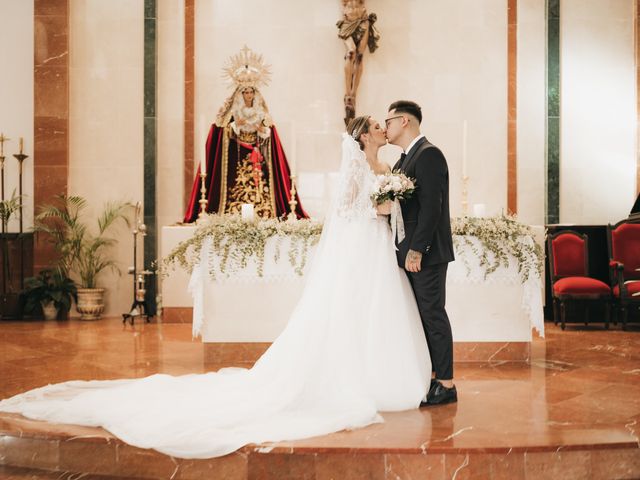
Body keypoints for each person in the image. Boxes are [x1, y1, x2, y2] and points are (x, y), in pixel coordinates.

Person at [0, 116, 430, 459]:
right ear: (362, 136)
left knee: (373, 312)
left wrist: (392, 202)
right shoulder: (356, 165)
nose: (382, 128)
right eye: (376, 124)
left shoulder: (385, 166)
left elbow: (380, 208)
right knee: (350, 309)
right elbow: (350, 209)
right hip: (358, 248)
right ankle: (354, 376)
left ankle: (380, 371)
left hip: (377, 251)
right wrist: (387, 203)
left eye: (384, 124)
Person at [385, 100, 457, 405]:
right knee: (421, 316)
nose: (384, 127)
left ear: (404, 121)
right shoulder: (403, 161)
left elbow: (432, 208)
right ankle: (431, 376)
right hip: (409, 253)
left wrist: (417, 250)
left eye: (387, 121)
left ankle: (447, 384)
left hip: (426, 255)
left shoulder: (428, 155)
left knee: (432, 313)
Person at [183, 47, 307, 221]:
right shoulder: (233, 112)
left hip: (256, 156)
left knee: (258, 185)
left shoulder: (261, 112)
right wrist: (235, 126)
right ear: (241, 94)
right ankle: (232, 213)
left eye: (251, 92)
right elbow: (222, 130)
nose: (249, 95)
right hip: (236, 155)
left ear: (255, 93)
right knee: (237, 185)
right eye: (245, 92)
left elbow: (269, 134)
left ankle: (263, 212)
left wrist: (260, 130)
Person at [336, 0, 380, 125]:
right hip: (348, 23)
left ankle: (353, 93)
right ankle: (348, 93)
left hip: (363, 22)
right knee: (351, 52)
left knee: (359, 56)